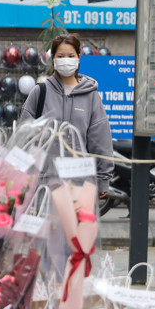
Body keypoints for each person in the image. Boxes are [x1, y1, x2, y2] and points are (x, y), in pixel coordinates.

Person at [21, 33, 114, 196]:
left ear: (78, 57)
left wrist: (102, 179)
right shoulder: (40, 92)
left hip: (79, 182)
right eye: (61, 56)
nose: (66, 60)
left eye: (71, 56)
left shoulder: (90, 96)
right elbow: (23, 136)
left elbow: (101, 139)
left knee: (76, 222)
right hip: (43, 182)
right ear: (53, 59)